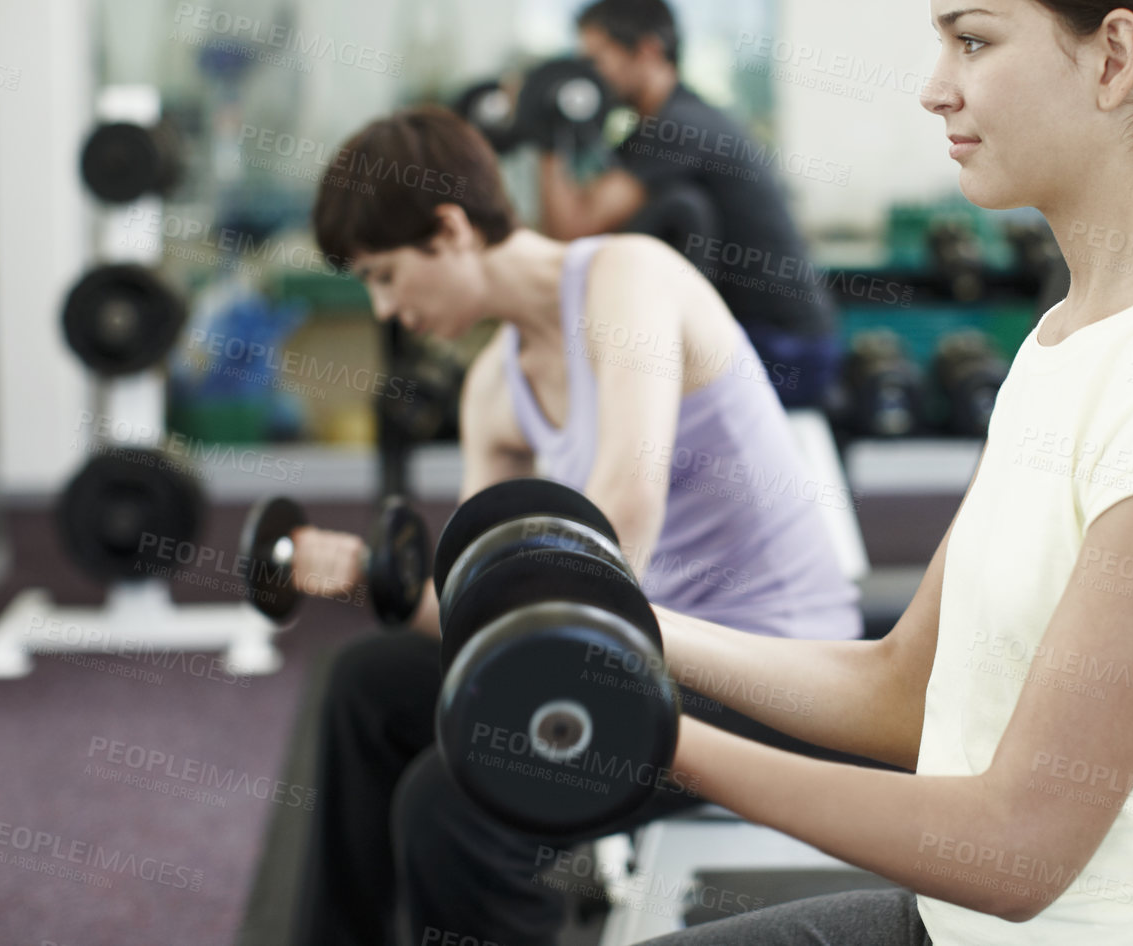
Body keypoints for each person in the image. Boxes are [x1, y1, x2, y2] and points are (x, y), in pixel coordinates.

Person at [618, 0, 1133, 943]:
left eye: (972, 40)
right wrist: (626, 622)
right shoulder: (1064, 339)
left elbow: (1016, 846)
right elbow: (902, 686)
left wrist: (647, 732)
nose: (932, 84)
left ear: (1113, 59)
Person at [288, 104, 868, 946]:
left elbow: (624, 507)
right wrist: (371, 581)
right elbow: (476, 610)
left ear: (449, 230)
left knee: (453, 806)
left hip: (768, 664)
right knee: (368, 685)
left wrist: (518, 671)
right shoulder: (495, 387)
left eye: (382, 274)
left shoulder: (628, 277)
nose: (383, 308)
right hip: (633, 650)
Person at [537, 0, 843, 409]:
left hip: (784, 350)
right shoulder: (656, 128)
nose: (589, 76)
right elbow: (574, 236)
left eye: (596, 60)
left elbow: (572, 230)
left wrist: (547, 133)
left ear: (646, 51)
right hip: (765, 341)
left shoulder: (680, 126)